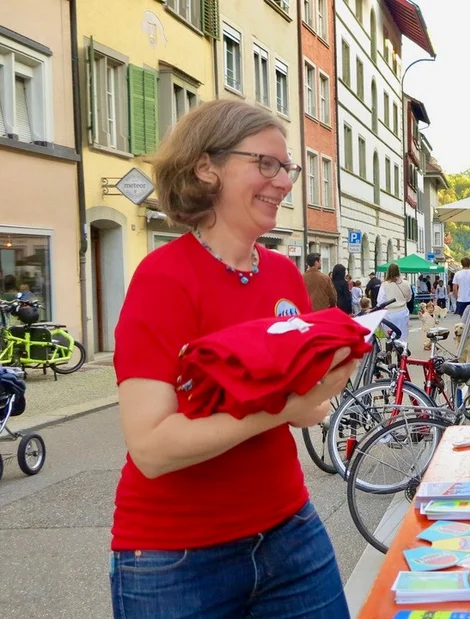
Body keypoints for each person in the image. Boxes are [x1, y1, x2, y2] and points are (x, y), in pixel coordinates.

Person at [110, 99, 355, 618]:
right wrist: (284, 409)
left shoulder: (284, 275)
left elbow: (307, 409)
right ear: (207, 168)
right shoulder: (163, 278)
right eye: (265, 164)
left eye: (285, 168)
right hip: (176, 558)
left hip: (289, 532)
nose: (284, 182)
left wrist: (324, 388)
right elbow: (152, 447)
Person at [377, 263, 413, 342]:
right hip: (402, 311)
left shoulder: (384, 285)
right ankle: (403, 350)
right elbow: (409, 297)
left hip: (389, 313)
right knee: (402, 334)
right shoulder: (406, 283)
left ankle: (392, 348)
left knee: (391, 335)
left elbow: (380, 301)